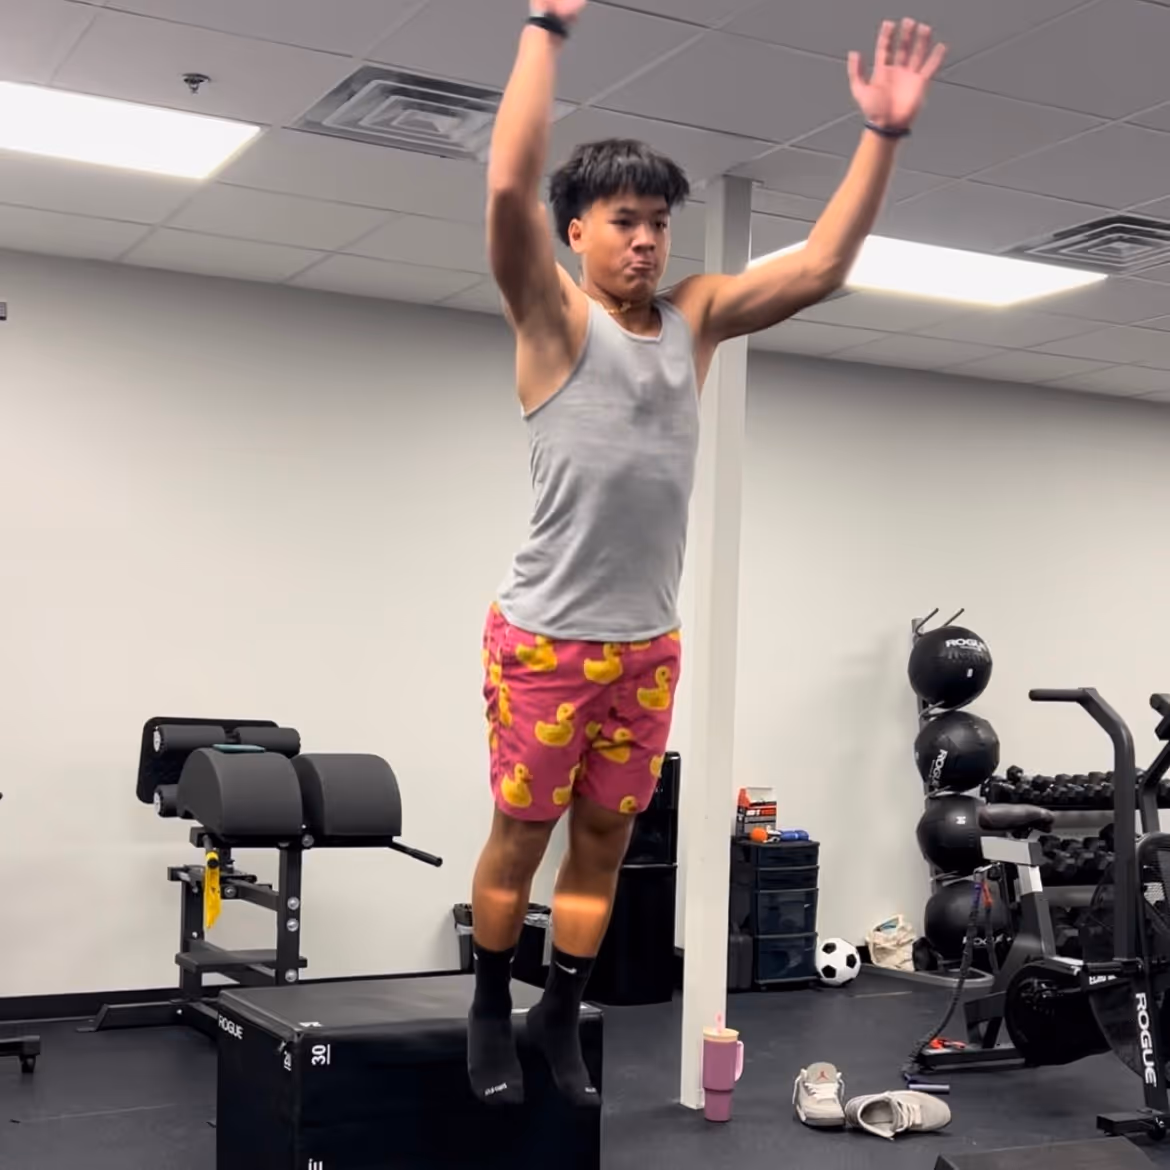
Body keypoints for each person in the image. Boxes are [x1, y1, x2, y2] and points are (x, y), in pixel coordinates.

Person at [468, 0, 947, 1107]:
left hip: (647, 646)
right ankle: (491, 1006)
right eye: (623, 222)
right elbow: (505, 189)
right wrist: (544, 28)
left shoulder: (697, 320)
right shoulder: (554, 321)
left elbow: (822, 264)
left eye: (658, 225)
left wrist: (883, 133)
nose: (646, 241)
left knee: (605, 842)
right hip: (544, 640)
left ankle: (557, 1013)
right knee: (523, 834)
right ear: (577, 232)